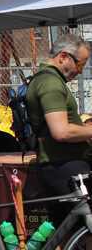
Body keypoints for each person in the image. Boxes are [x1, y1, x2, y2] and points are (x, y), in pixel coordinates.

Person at [27, 34, 91, 228]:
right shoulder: (50, 83)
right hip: (64, 166)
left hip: (60, 164)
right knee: (84, 228)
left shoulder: (49, 80)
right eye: (80, 65)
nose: (79, 72)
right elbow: (60, 131)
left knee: (68, 230)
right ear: (63, 57)